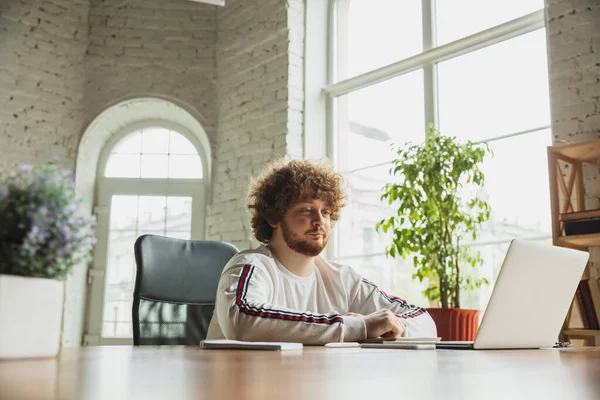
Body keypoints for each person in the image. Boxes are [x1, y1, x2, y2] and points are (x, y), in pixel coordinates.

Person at [206, 159, 437, 344]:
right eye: (307, 210)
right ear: (274, 217)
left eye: (326, 212)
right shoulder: (249, 266)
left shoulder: (343, 279)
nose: (320, 222)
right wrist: (359, 327)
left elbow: (424, 320)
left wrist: (397, 326)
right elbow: (244, 319)